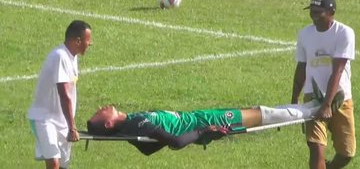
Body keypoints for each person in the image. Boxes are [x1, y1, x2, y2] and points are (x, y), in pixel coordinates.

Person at [86, 98, 329, 156]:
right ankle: (315, 108)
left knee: (260, 113)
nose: (102, 106)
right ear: (108, 122)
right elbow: (176, 143)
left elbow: (147, 150)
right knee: (263, 115)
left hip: (201, 120)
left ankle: (310, 107)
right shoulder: (136, 124)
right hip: (205, 122)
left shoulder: (131, 126)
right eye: (100, 113)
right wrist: (205, 131)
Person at [291, 0, 356, 169]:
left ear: (331, 12)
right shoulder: (305, 34)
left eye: (318, 12)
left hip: (340, 98)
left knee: (346, 153)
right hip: (313, 97)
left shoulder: (344, 33)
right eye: (311, 11)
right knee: (316, 148)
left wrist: (327, 104)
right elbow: (301, 68)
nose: (313, 15)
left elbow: (338, 70)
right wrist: (294, 101)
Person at [28, 20, 92, 169]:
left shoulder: (72, 57)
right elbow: (64, 94)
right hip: (44, 119)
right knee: (54, 163)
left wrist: (68, 125)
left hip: (61, 121)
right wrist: (72, 127)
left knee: (64, 165)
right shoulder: (60, 56)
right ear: (77, 41)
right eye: (88, 40)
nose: (90, 44)